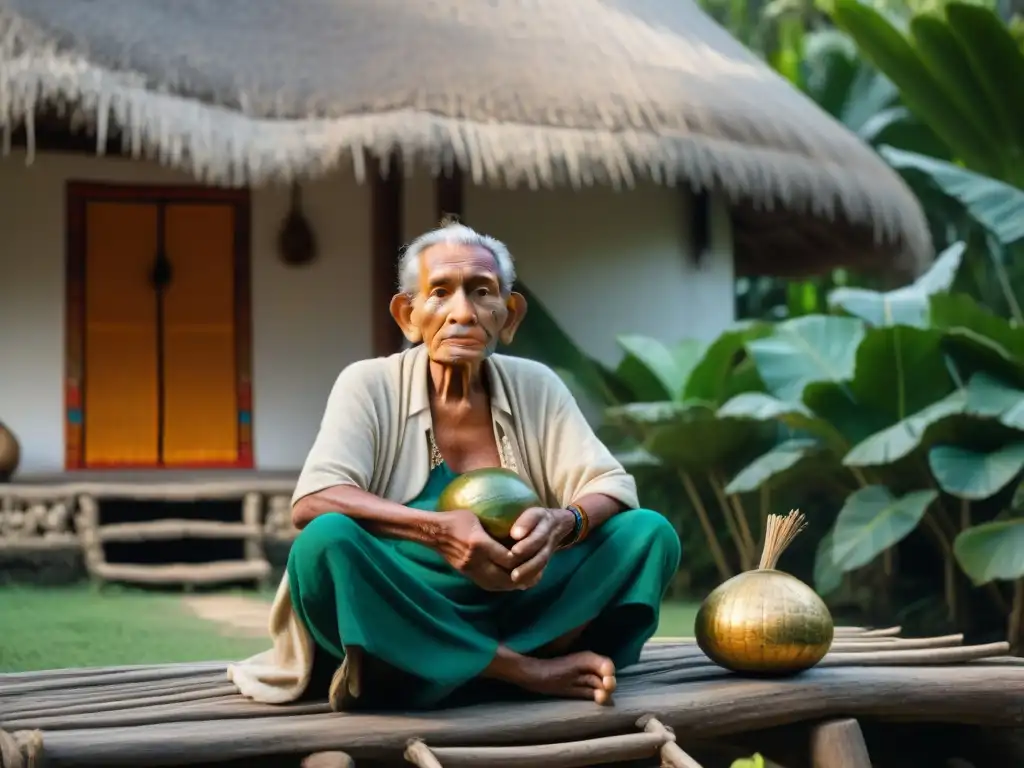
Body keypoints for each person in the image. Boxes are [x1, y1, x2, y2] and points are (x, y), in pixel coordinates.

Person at [228, 221, 681, 712]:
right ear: (408, 315)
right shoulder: (369, 384)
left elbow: (610, 483)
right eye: (440, 292)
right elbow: (315, 500)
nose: (462, 313)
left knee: (648, 533)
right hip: (409, 599)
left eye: (481, 292)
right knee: (323, 544)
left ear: (508, 315)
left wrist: (560, 523)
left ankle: (445, 669)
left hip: (514, 593)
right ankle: (522, 671)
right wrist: (436, 531)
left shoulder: (536, 384)